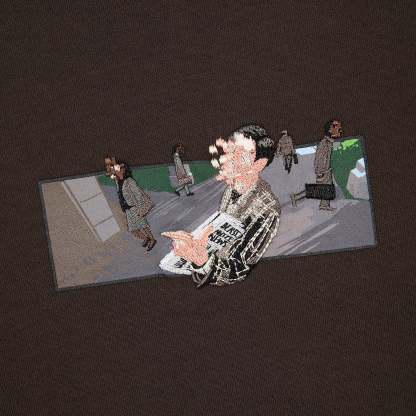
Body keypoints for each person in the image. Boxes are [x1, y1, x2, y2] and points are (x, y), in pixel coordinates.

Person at [162, 124, 280, 287]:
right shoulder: (230, 190)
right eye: (230, 149)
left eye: (241, 152)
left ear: (259, 164)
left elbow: (240, 268)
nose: (229, 157)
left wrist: (203, 262)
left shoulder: (267, 208)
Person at [290, 119, 343, 211]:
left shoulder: (329, 142)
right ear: (330, 130)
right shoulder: (324, 143)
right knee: (319, 189)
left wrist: (340, 145)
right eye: (337, 127)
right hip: (323, 170)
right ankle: (296, 197)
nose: (340, 130)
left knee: (326, 188)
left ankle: (323, 204)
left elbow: (334, 146)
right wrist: (319, 171)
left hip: (326, 170)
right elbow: (319, 158)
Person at [113, 162, 157, 251]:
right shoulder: (119, 182)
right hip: (127, 208)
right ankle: (146, 238)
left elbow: (138, 194)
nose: (118, 171)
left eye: (120, 168)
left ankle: (152, 240)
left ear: (124, 170)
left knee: (143, 225)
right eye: (117, 169)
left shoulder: (129, 181)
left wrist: (140, 208)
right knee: (132, 229)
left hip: (134, 207)